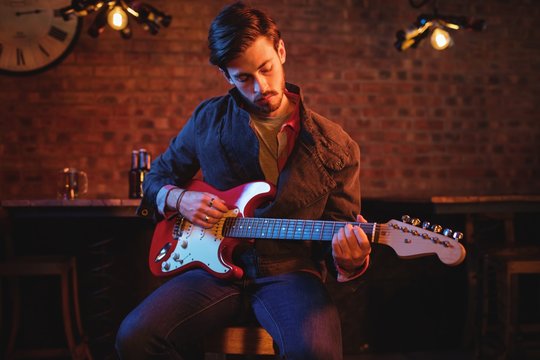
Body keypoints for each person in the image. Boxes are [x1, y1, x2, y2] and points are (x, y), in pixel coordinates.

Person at [116, 2, 371, 359]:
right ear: (226, 76)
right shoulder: (207, 119)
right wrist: (179, 199)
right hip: (209, 271)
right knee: (135, 335)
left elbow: (339, 235)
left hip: (290, 273)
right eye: (244, 78)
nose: (260, 86)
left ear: (281, 51)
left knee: (316, 353)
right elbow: (156, 178)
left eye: (266, 69)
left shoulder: (338, 146)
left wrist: (351, 259)